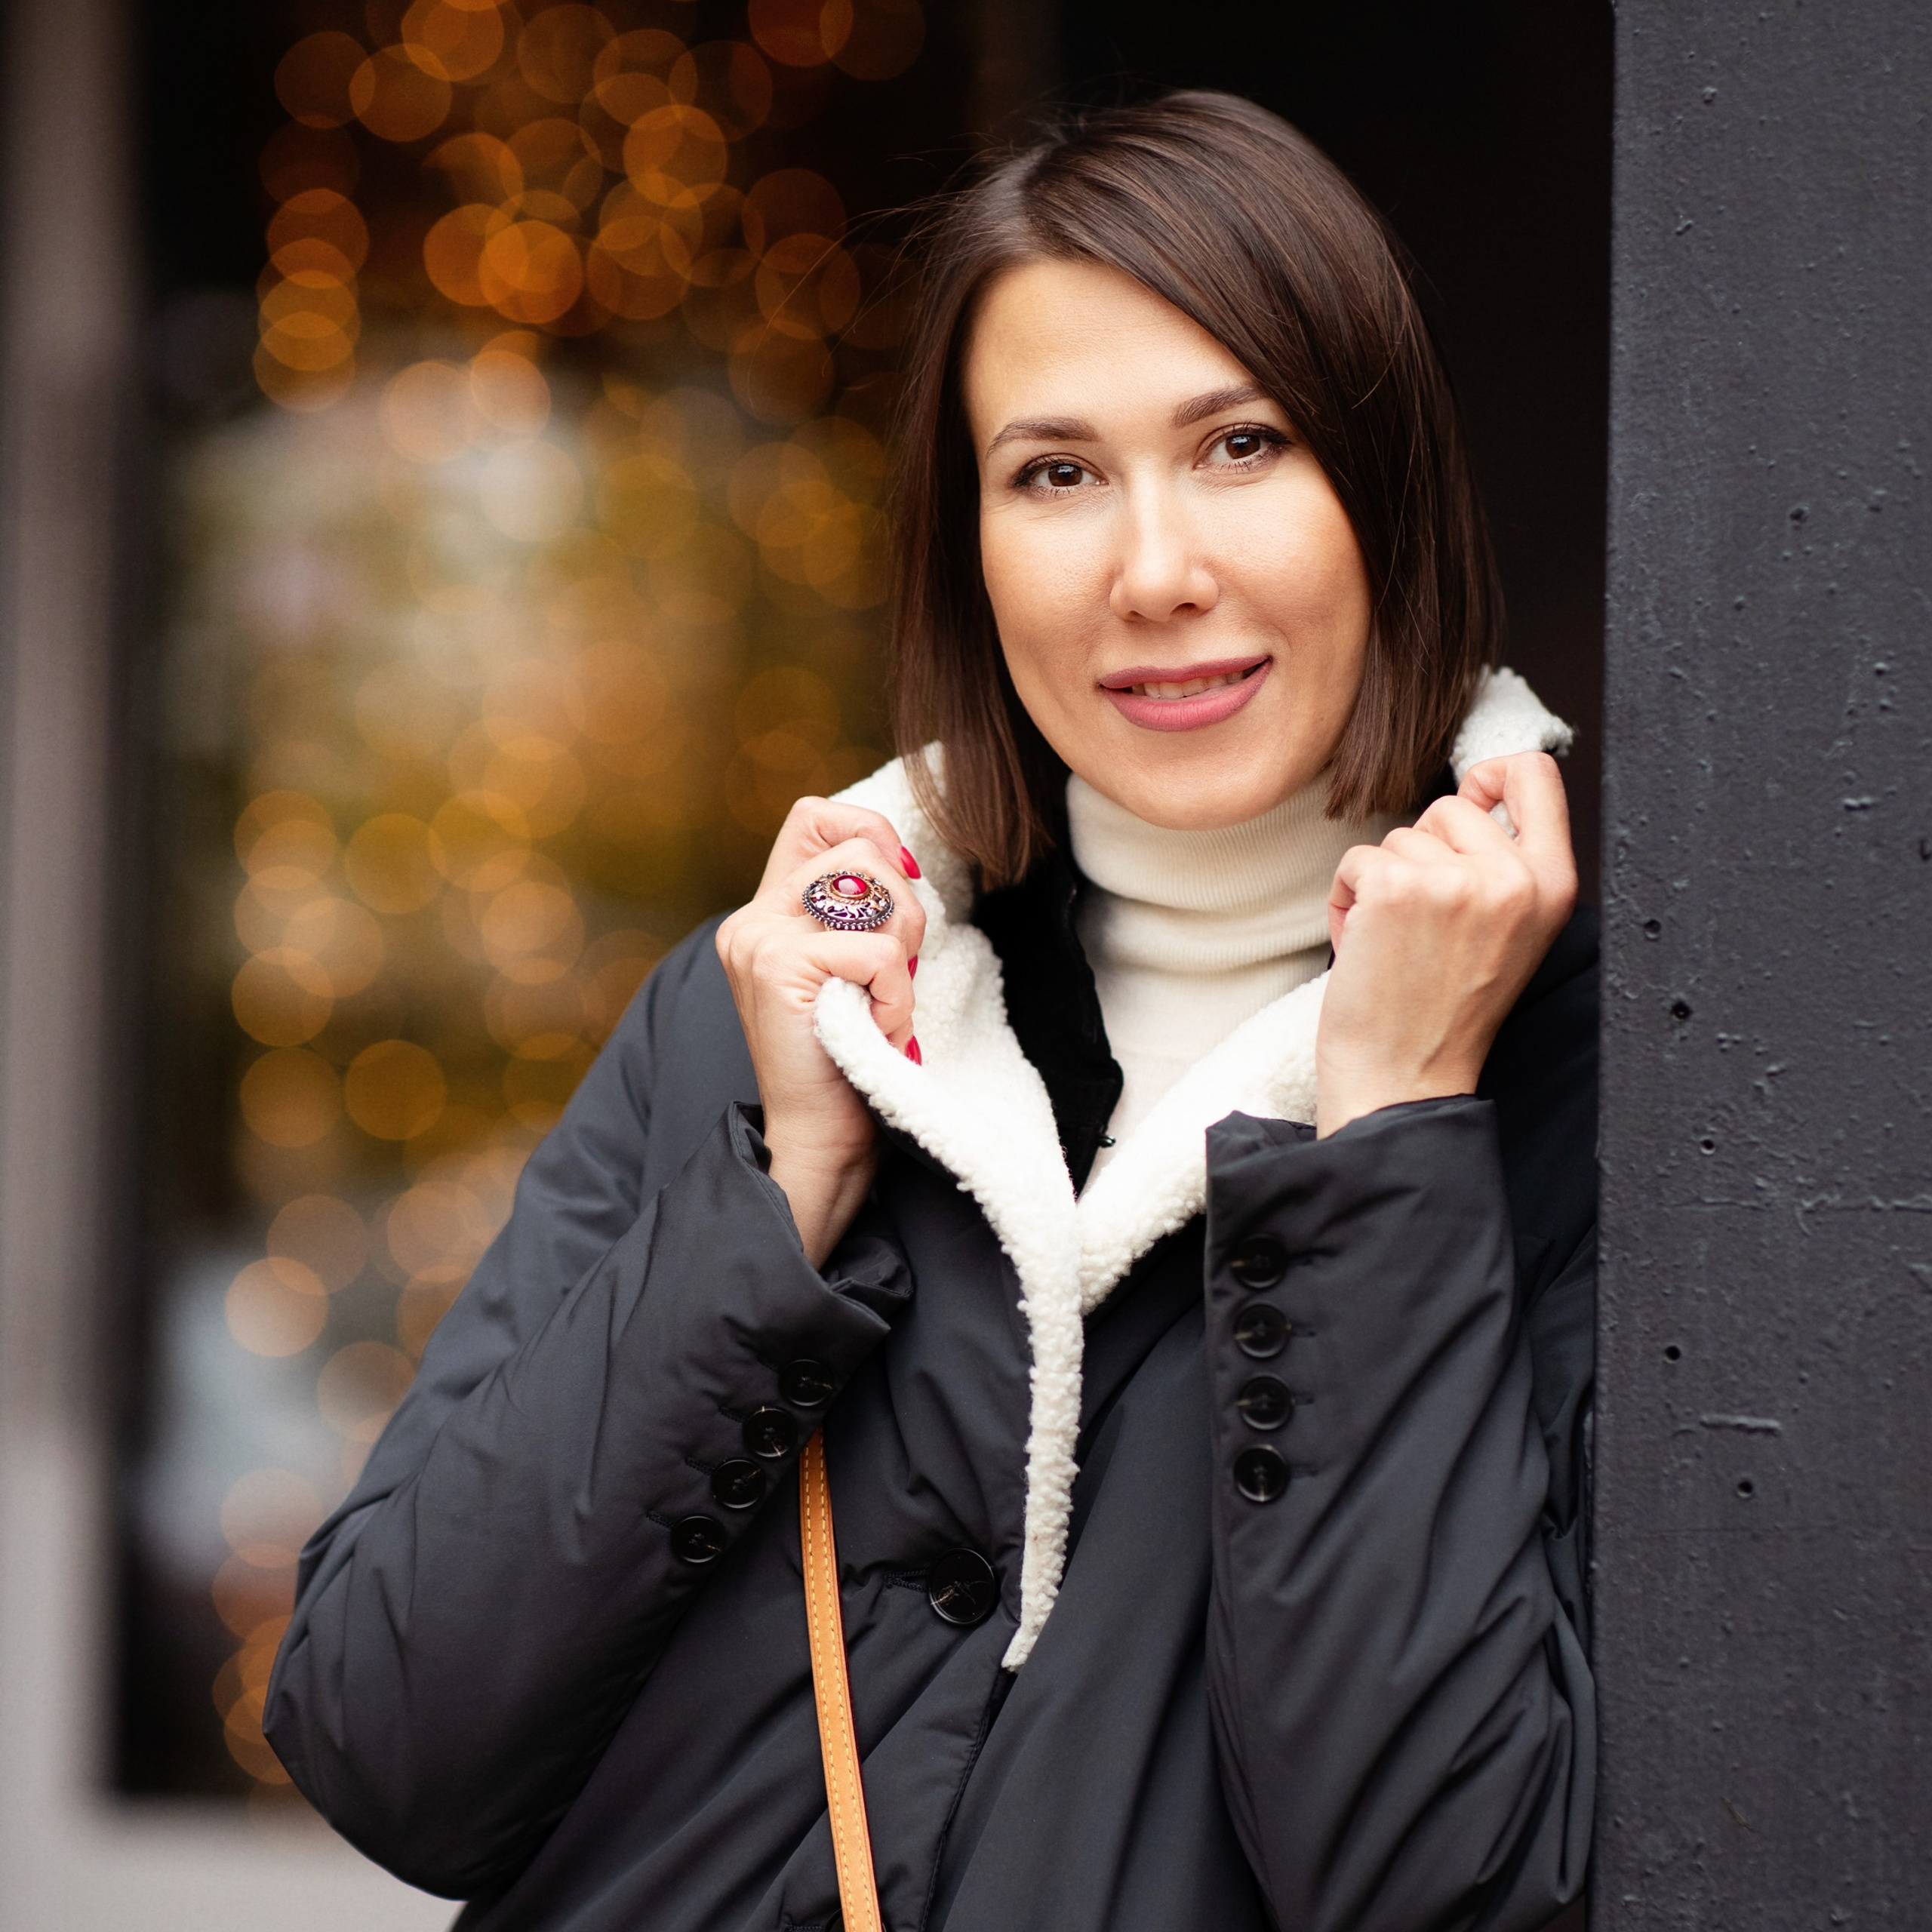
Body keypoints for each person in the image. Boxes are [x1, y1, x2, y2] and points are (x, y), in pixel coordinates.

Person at [267, 91, 1595, 1932]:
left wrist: (1384, 1140)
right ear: (965, 538)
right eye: (1052, 471)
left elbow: (1438, 1888)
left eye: (1240, 443)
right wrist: (773, 1207)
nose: (1151, 571)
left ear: (1384, 481)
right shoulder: (777, 1014)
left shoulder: (1597, 1085)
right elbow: (380, 1741)